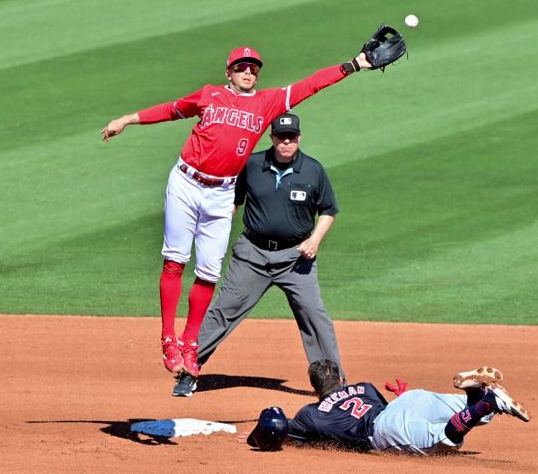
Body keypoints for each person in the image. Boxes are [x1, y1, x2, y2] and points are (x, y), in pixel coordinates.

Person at [101, 47, 373, 382]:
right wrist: (128, 119)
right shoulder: (208, 95)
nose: (248, 73)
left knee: (209, 273)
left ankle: (190, 343)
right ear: (228, 72)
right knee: (175, 260)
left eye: (254, 69)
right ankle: (168, 340)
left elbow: (311, 85)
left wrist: (354, 64)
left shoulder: (267, 102)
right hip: (186, 183)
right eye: (241, 67)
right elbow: (172, 110)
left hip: (221, 192)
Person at [172, 112, 344, 397]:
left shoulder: (313, 170)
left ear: (299, 138)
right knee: (223, 311)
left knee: (315, 317)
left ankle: (334, 387)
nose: (286, 142)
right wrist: (213, 235)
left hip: (295, 259)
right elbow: (232, 203)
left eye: (291, 137)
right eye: (281, 137)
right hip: (252, 255)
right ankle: (188, 371)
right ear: (272, 137)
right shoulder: (252, 165)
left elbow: (328, 210)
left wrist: (315, 239)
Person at [248, 361, 531, 454]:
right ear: (343, 381)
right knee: (474, 414)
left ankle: (485, 404)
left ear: (314, 389)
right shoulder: (366, 387)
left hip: (383, 429)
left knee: (445, 439)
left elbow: (279, 428)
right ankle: (477, 396)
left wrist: (257, 437)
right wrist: (402, 397)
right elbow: (393, 409)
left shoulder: (310, 414)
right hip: (409, 400)